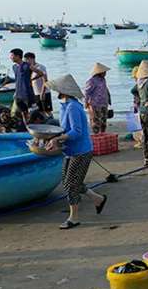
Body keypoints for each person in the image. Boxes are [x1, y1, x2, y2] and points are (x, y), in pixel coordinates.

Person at [46, 75, 108, 229]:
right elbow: (65, 130)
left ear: (63, 91)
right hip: (70, 150)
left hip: (81, 151)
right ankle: (98, 199)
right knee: (70, 181)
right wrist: (55, 139)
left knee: (70, 185)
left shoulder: (73, 106)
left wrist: (58, 139)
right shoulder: (64, 106)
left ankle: (74, 217)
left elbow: (77, 132)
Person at [84, 62, 112, 134]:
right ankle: (96, 136)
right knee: (96, 122)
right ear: (100, 72)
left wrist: (109, 99)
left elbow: (106, 89)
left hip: (103, 103)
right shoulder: (92, 81)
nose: (105, 73)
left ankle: (102, 135)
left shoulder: (103, 80)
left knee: (103, 122)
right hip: (95, 105)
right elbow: (87, 92)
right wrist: (86, 102)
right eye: (104, 72)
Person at [10, 48, 35, 121]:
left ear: (18, 56)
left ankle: (31, 125)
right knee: (23, 112)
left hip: (27, 94)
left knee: (30, 113)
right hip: (18, 94)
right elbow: (17, 79)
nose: (11, 57)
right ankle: (26, 125)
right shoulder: (14, 67)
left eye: (12, 55)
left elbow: (41, 73)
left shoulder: (27, 65)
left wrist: (32, 79)